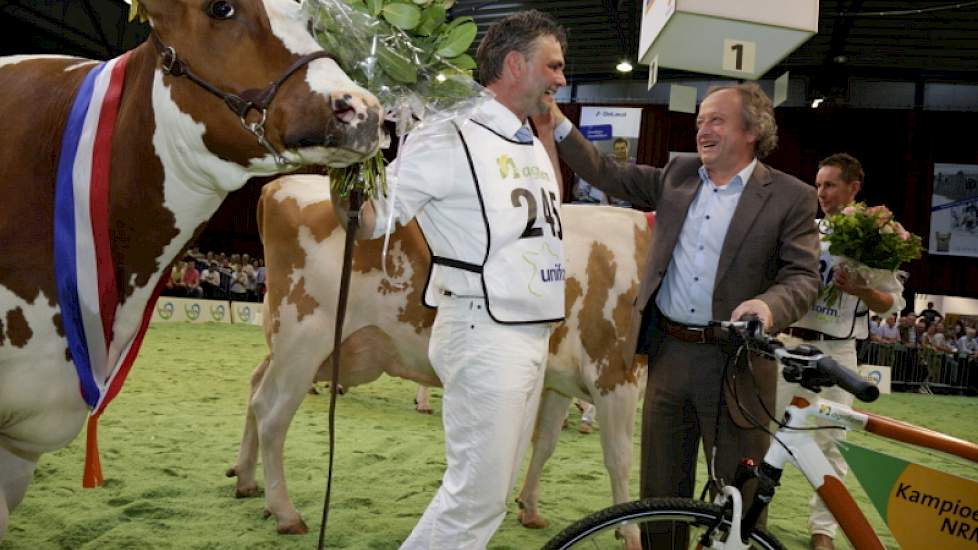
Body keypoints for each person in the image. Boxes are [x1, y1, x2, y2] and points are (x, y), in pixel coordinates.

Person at [536, 82, 820, 542]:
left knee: (739, 494)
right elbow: (607, 172)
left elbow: (804, 277)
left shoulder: (791, 196)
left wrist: (768, 307)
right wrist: (558, 122)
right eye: (699, 121)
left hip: (738, 364)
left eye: (716, 120)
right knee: (660, 491)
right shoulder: (678, 175)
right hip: (669, 355)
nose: (702, 130)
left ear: (752, 130)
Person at [332, 10, 567, 549]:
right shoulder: (449, 133)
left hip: (529, 334)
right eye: (552, 66)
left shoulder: (527, 139)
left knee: (492, 494)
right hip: (486, 335)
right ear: (515, 64)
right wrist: (348, 150)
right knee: (474, 501)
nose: (560, 78)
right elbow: (369, 218)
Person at [774, 153, 904, 550]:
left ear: (853, 188)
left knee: (832, 442)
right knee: (762, 432)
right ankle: (749, 512)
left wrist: (862, 290)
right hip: (790, 343)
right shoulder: (805, 230)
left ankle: (823, 531)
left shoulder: (877, 239)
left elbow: (890, 305)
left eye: (830, 185)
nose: (821, 193)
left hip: (839, 352)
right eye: (818, 185)